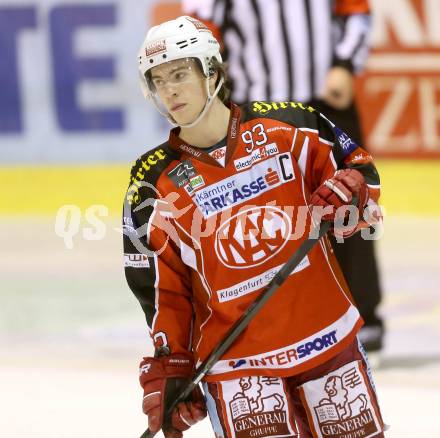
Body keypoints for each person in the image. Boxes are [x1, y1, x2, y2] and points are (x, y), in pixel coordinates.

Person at [123, 15, 385, 438]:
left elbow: (361, 171)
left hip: (327, 342)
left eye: (179, 73)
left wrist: (350, 191)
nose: (168, 89)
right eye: (157, 80)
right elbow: (162, 290)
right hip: (236, 368)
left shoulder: (291, 127)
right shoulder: (152, 183)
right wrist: (170, 363)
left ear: (211, 71)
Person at [182, 0, 385, 353]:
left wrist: (345, 64)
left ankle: (363, 317)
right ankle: (274, 324)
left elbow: (356, 11)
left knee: (349, 207)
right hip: (257, 109)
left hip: (325, 101)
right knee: (264, 218)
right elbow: (199, 28)